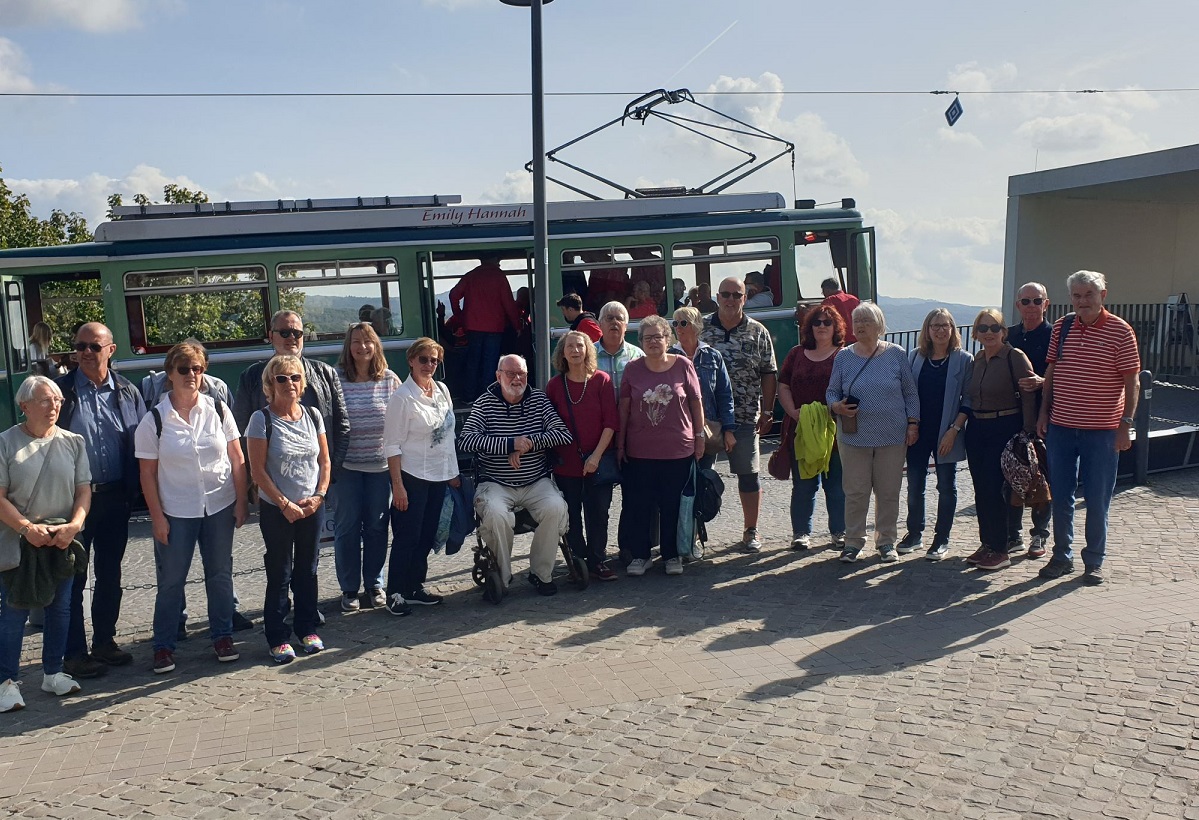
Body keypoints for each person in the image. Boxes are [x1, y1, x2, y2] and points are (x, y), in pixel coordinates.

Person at [135, 342, 247, 674]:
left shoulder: (219, 410)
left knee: (220, 575)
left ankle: (223, 636)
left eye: (197, 369)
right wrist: (157, 517)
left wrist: (242, 501)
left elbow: (237, 458)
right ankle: (164, 645)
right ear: (170, 374)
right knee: (171, 580)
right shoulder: (154, 419)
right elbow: (147, 473)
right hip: (176, 511)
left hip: (218, 505)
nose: (191, 375)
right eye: (183, 369)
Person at [1037, 271, 1140, 586]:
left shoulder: (1121, 332)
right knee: (1062, 495)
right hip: (1062, 428)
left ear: (1103, 295)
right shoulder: (1062, 327)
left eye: (1089, 295)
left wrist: (1126, 425)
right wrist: (1044, 412)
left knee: (1097, 498)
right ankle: (1061, 557)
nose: (1083, 301)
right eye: (1077, 296)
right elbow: (1052, 371)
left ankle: (1093, 560)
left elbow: (1131, 382)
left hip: (1102, 431)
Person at [56, 322, 146, 679]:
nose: (85, 353)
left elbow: (140, 444)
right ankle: (74, 652)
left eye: (94, 346)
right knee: (73, 577)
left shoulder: (127, 391)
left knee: (110, 573)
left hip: (114, 496)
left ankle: (105, 642)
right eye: (79, 347)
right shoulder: (60, 392)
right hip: (72, 501)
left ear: (111, 349)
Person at [0, 377, 91, 712]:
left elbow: (83, 490)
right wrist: (26, 529)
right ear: (24, 406)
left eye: (57, 400)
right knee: (14, 612)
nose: (53, 406)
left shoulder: (73, 442)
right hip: (19, 541)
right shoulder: (5, 443)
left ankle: (54, 671)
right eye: (44, 400)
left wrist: (75, 525)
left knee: (61, 608)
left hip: (61, 539)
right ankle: (6, 682)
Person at [458, 355, 572, 595]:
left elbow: (562, 434)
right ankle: (503, 576)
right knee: (497, 514)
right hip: (496, 482)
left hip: (535, 480)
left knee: (556, 507)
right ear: (498, 376)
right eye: (510, 373)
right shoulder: (484, 404)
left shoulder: (539, 399)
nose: (517, 378)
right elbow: (466, 440)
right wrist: (509, 444)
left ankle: (541, 573)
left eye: (521, 373)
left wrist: (529, 443)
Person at [246, 355, 331, 665]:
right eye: (282, 379)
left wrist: (319, 496)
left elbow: (324, 460)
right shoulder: (261, 419)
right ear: (271, 384)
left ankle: (306, 628)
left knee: (307, 570)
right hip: (277, 510)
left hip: (311, 507)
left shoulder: (312, 415)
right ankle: (278, 637)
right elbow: (257, 471)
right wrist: (284, 503)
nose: (289, 384)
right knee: (280, 572)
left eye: (294, 378)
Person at [826, 304, 919, 563]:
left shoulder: (897, 355)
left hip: (892, 436)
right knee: (855, 492)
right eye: (857, 321)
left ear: (880, 326)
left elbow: (910, 393)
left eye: (866, 320)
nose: (860, 326)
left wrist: (913, 423)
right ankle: (853, 542)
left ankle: (886, 542)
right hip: (854, 437)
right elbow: (832, 391)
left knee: (888, 492)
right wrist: (836, 406)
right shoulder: (844, 357)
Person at [618, 316, 705, 577]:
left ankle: (671, 555)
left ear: (668, 339)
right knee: (639, 504)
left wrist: (700, 436)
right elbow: (623, 410)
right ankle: (641, 555)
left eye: (658, 336)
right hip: (640, 451)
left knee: (672, 505)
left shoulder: (683, 365)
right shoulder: (632, 369)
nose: (654, 341)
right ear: (641, 342)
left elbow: (696, 403)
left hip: (678, 450)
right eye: (648, 337)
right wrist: (620, 445)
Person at [699, 277, 777, 553]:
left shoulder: (758, 331)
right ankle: (696, 531)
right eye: (725, 294)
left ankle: (751, 530)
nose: (731, 299)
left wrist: (767, 411)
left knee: (748, 475)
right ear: (717, 297)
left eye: (737, 295)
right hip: (706, 419)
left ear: (745, 298)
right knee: (699, 475)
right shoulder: (701, 328)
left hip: (745, 416)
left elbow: (769, 373)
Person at [383, 338, 460, 615]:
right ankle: (395, 592)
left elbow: (449, 434)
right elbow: (391, 445)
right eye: (424, 359)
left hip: (438, 476)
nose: (429, 365)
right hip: (412, 475)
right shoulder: (401, 397)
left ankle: (414, 586)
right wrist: (398, 486)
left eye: (434, 360)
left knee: (427, 534)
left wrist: (453, 473)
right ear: (411, 361)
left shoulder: (442, 390)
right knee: (407, 536)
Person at [234, 310, 349, 482]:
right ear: (271, 336)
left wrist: (329, 473)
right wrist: (257, 477)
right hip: (272, 483)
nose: (291, 337)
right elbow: (240, 429)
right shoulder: (251, 376)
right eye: (285, 332)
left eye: (297, 333)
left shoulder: (325, 373)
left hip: (319, 481)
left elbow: (342, 426)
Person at [332, 323, 401, 612]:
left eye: (368, 342)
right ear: (348, 346)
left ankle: (374, 583)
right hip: (346, 467)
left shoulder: (389, 380)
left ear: (376, 346)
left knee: (376, 527)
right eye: (356, 342)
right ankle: (349, 589)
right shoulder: (336, 378)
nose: (362, 347)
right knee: (347, 528)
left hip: (380, 466)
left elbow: (400, 423)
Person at [963, 309, 1038, 572]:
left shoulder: (1014, 357)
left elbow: (1029, 394)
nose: (989, 333)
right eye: (983, 329)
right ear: (976, 333)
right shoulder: (978, 360)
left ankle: (1001, 548)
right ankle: (988, 544)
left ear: (1004, 332)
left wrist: (1028, 432)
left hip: (1005, 426)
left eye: (994, 328)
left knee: (997, 489)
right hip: (978, 429)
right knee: (981, 488)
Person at [897, 309, 973, 561]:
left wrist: (954, 431)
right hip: (918, 430)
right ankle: (914, 533)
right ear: (927, 330)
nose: (940, 330)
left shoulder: (964, 359)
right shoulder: (914, 357)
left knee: (946, 487)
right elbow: (907, 394)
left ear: (952, 329)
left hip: (947, 432)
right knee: (915, 484)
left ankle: (941, 539)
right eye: (935, 326)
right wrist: (911, 424)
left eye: (945, 325)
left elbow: (969, 399)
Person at [545, 331, 619, 582]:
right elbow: (548, 425)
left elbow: (611, 422)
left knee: (599, 511)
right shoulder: (555, 386)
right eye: (570, 347)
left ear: (588, 349)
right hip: (567, 464)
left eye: (580, 345)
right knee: (572, 514)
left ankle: (598, 559)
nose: (575, 350)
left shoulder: (602, 380)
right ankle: (579, 559)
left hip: (598, 460)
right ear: (562, 352)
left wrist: (596, 456)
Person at [777, 304, 846, 551]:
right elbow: (783, 385)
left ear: (836, 326)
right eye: (817, 322)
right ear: (809, 326)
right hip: (800, 429)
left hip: (835, 431)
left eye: (827, 322)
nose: (821, 326)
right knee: (804, 484)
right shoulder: (796, 354)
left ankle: (840, 531)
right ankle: (801, 533)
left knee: (836, 485)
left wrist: (832, 410)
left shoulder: (844, 355)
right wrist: (793, 412)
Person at [595, 302, 647, 561]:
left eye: (619, 318)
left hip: (633, 435)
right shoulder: (588, 355)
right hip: (600, 438)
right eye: (609, 318)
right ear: (600, 324)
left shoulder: (638, 355)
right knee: (600, 499)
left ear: (627, 325)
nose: (614, 322)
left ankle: (627, 547)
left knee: (633, 497)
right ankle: (598, 550)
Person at [1006, 282, 1053, 559]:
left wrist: (1043, 382)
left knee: (1041, 477)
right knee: (1010, 474)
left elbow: (1067, 372)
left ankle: (1039, 535)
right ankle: (1013, 535)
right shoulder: (1008, 335)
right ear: (1018, 305)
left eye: (1037, 301)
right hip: (1012, 416)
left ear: (1046, 304)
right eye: (1026, 301)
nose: (1031, 306)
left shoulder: (1055, 335)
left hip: (1044, 416)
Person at [669, 306, 734, 472]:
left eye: (683, 323)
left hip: (707, 430)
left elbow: (724, 394)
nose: (678, 327)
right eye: (675, 323)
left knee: (705, 481)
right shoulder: (668, 356)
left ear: (697, 326)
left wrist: (728, 430)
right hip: (677, 432)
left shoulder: (713, 356)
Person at [448, 253, 522, 400]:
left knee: (473, 362)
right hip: (494, 328)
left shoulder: (471, 276)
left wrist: (460, 315)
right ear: (494, 260)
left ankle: (469, 396)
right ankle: (486, 399)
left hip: (473, 327)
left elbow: (453, 295)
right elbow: (508, 303)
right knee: (490, 364)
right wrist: (517, 325)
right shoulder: (499, 277)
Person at [822, 277, 861, 344]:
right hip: (858, 339)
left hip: (841, 341)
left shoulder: (829, 301)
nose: (823, 294)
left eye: (823, 291)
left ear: (827, 290)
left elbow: (818, 316)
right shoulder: (854, 299)